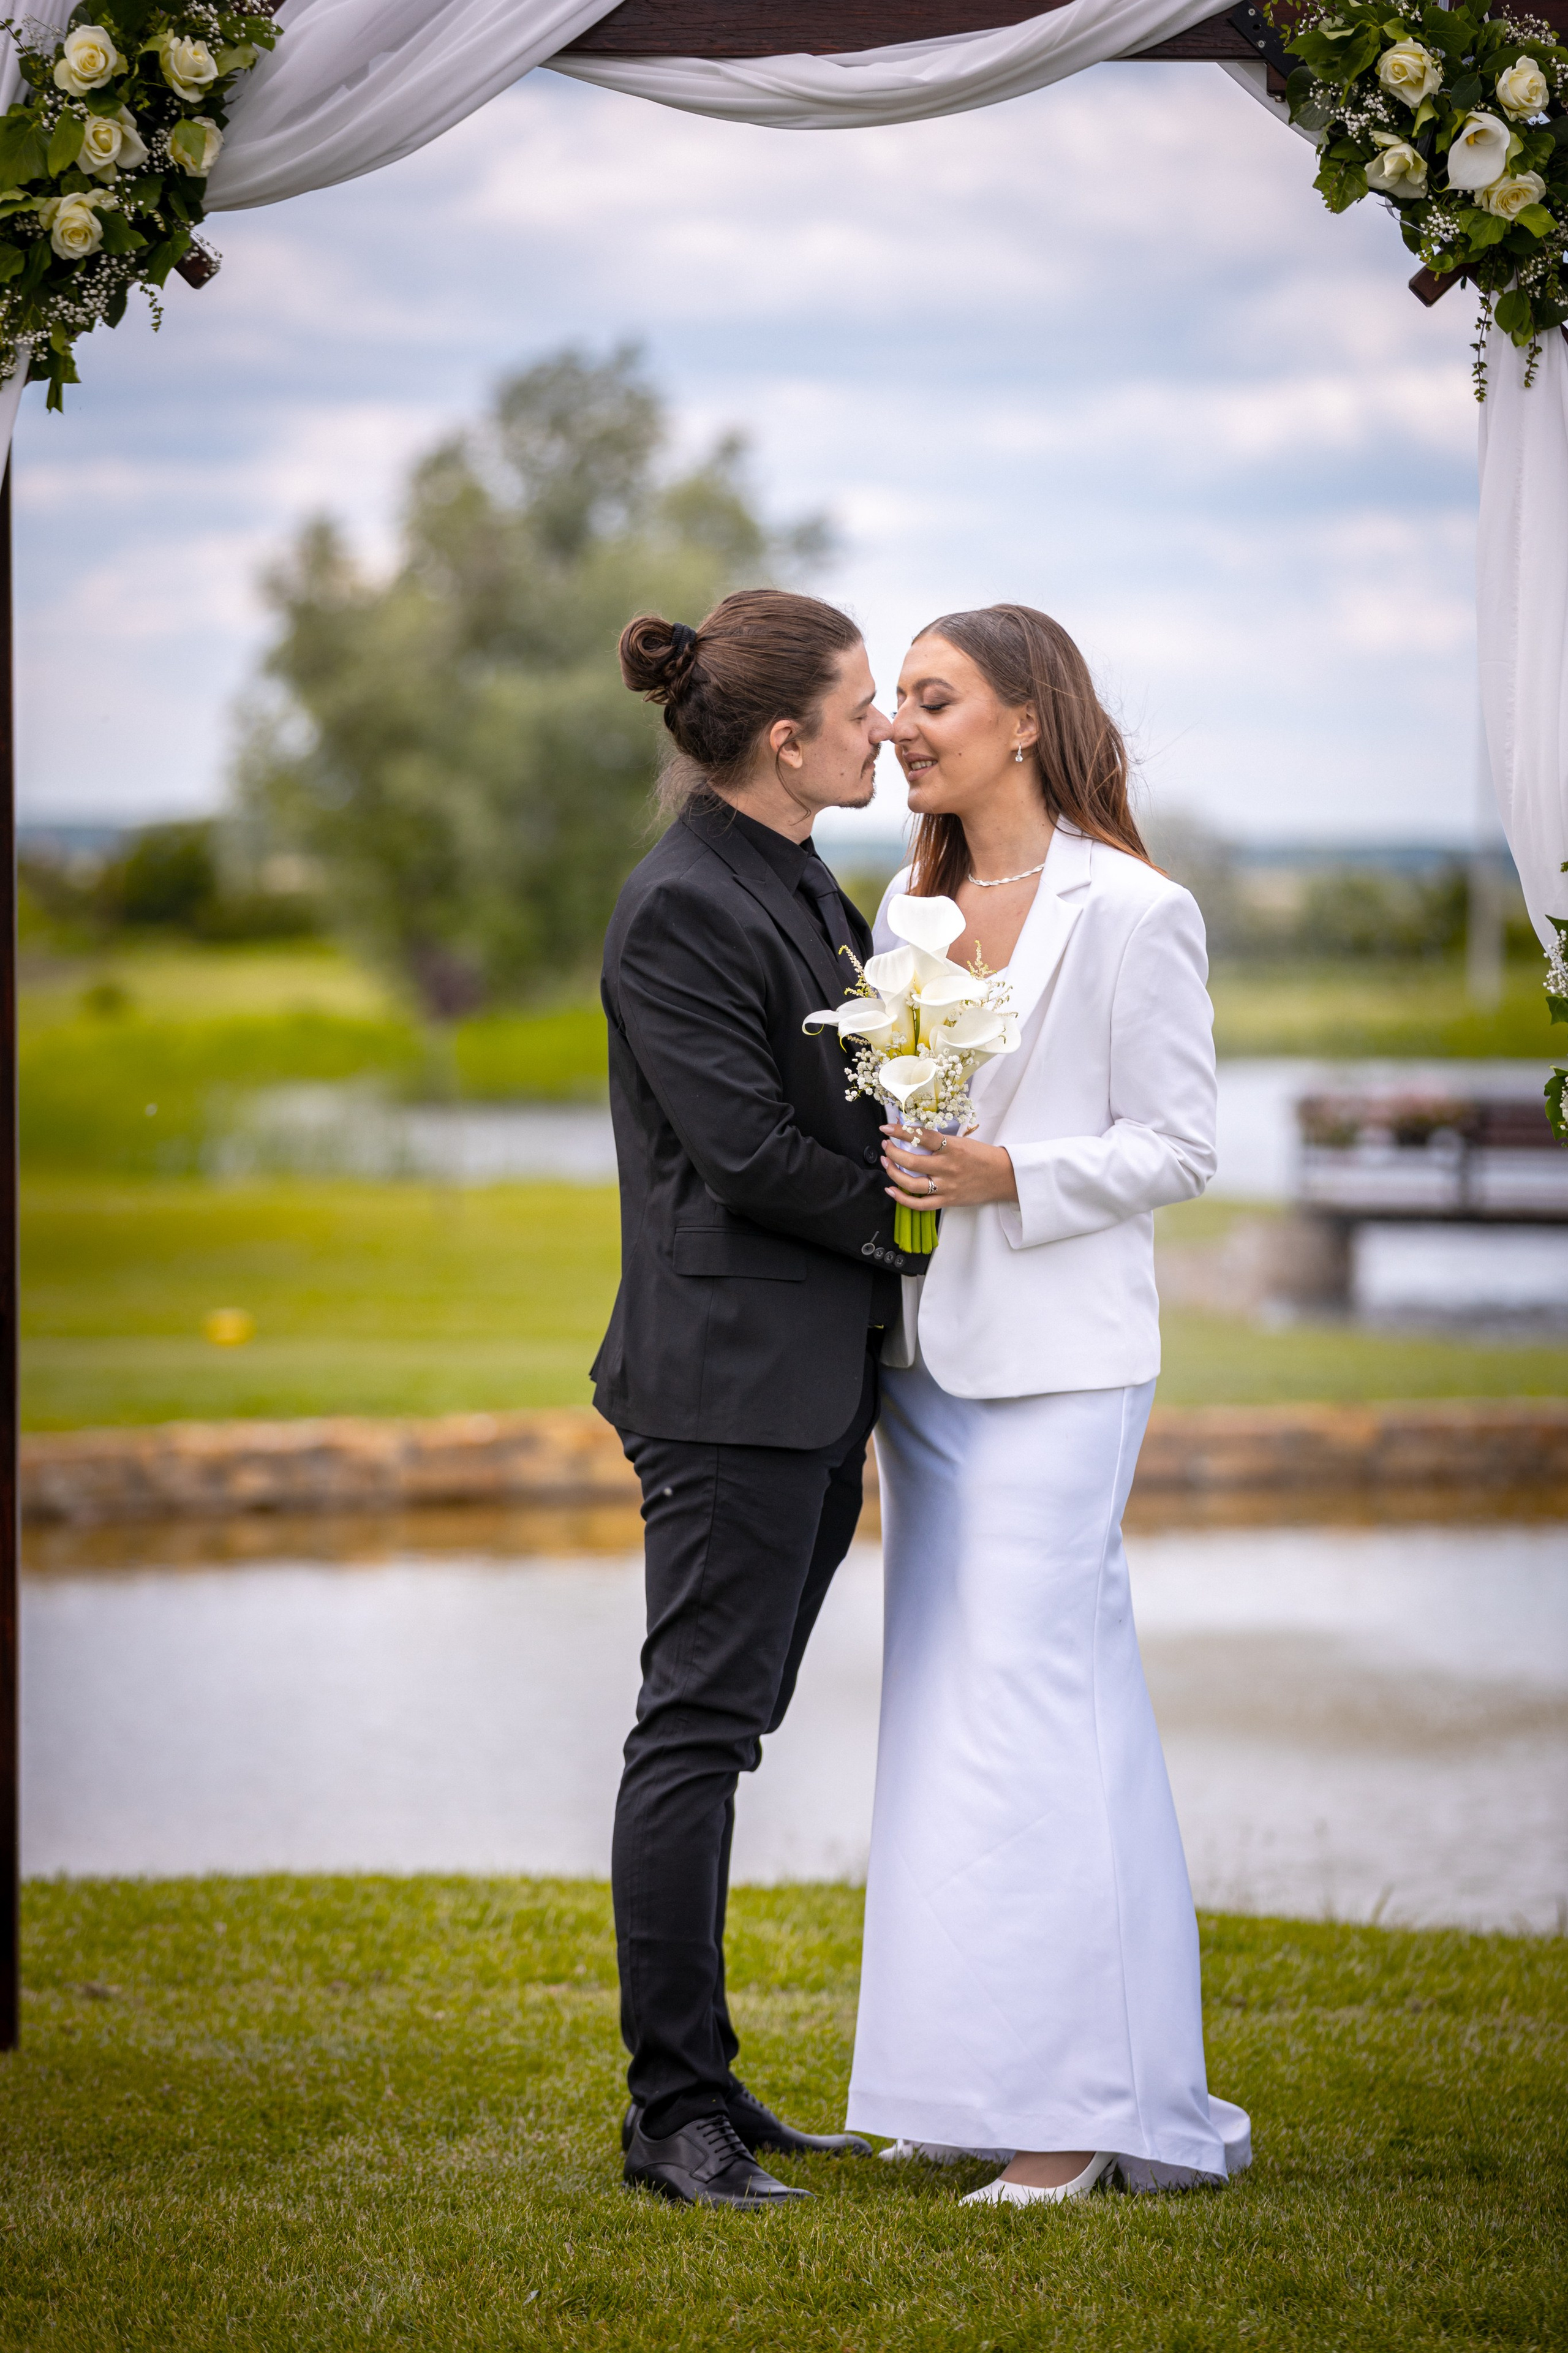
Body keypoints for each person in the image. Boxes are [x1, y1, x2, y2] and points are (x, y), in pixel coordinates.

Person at [844, 603, 1251, 2204]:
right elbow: (900, 1108)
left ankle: (1075, 2118)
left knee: (1045, 1715)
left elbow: (1181, 1143)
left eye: (931, 699)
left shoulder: (1141, 911)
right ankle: (969, 2082)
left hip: (1073, 1366)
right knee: (955, 1724)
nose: (897, 726)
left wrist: (1013, 1174)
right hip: (930, 1366)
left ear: (1024, 718)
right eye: (891, 702)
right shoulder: (907, 899)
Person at [598, 589, 929, 2211]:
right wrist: (927, 1211)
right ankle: (672, 2115)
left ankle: (711, 2083)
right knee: (696, 1728)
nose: (887, 729)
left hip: (807, 1376)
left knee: (726, 1728)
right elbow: (747, 1153)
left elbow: (848, 1090)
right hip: (727, 1383)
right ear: (784, 737)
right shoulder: (681, 907)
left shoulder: (802, 876)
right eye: (865, 705)